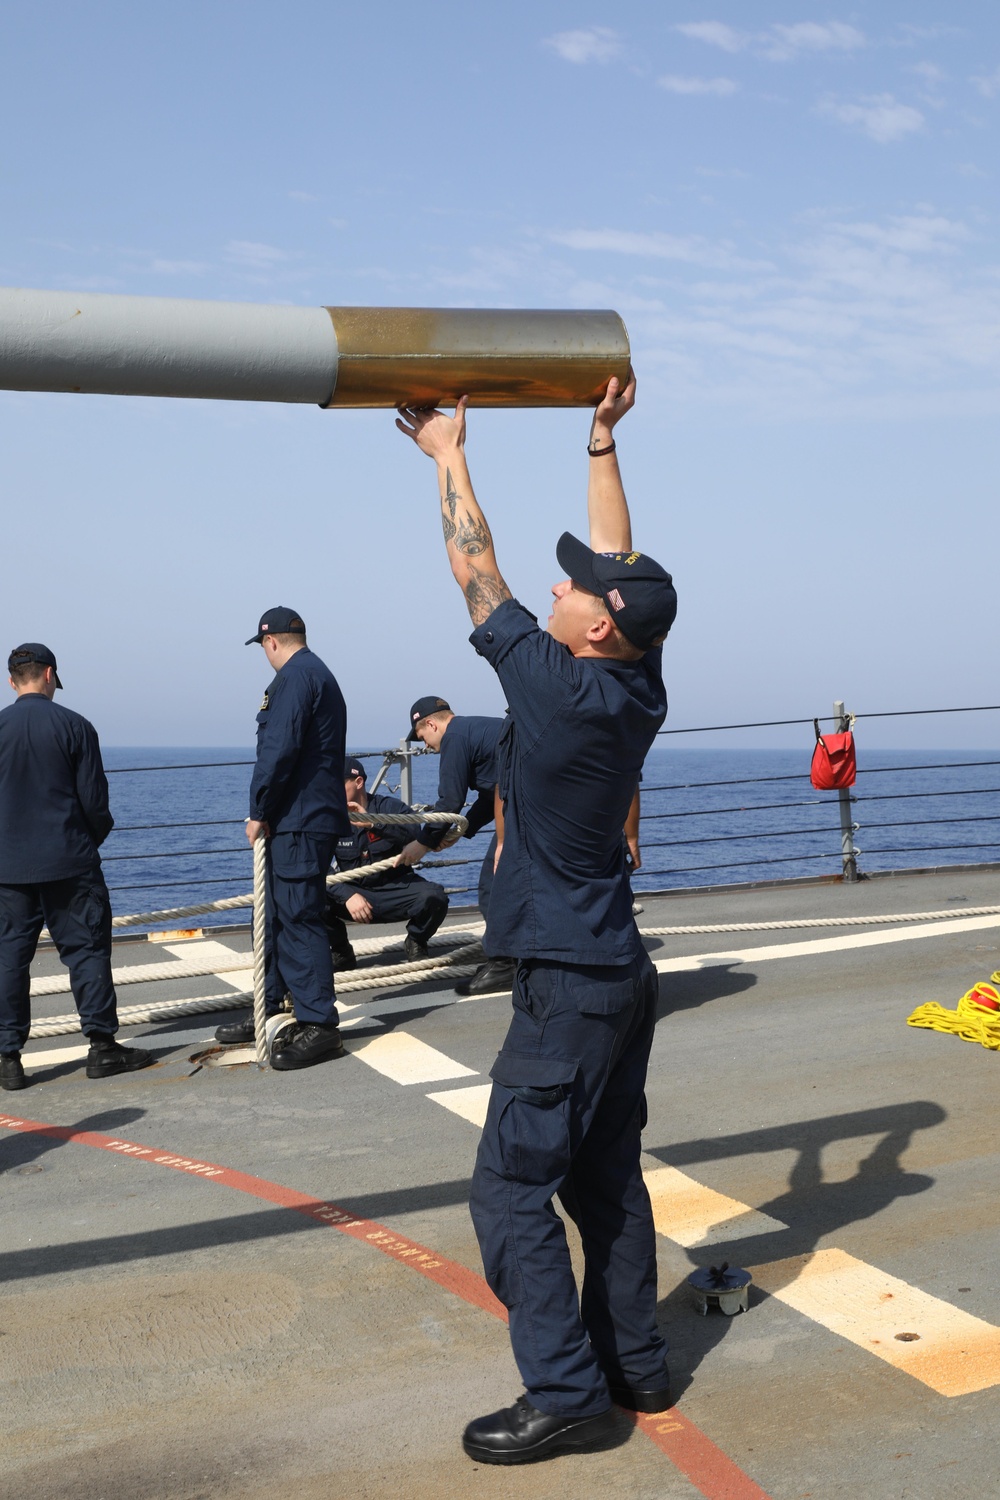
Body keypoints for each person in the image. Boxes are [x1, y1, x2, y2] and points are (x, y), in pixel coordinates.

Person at [396, 371, 677, 1465]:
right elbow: (626, 575)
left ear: (597, 629)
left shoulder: (557, 689)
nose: (558, 591)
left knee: (512, 1191)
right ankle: (635, 1368)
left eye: (577, 593)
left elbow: (477, 573)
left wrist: (447, 457)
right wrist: (600, 447)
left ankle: (563, 1391)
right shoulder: (635, 683)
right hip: (617, 978)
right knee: (605, 1185)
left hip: (567, 986)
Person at [0, 643, 154, 1090]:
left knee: (9, 957)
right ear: (49, 675)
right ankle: (103, 1047)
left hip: (8, 868)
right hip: (69, 861)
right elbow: (95, 804)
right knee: (86, 951)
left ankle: (8, 1057)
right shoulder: (75, 726)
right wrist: (86, 843)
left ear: (13, 680)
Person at [214, 607, 348, 1071]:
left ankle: (319, 1023)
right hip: (303, 817)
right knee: (274, 914)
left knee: (297, 916)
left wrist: (259, 810)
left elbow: (280, 748)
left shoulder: (294, 678)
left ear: (271, 642)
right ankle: (267, 1007)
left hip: (299, 819)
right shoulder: (317, 674)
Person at [396, 696, 513, 995]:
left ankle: (504, 965)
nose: (425, 745)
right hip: (529, 801)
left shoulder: (455, 738)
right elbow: (492, 793)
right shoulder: (473, 730)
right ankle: (510, 957)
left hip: (524, 808)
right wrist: (463, 830)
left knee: (493, 887)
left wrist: (422, 843)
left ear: (432, 724)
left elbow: (450, 800)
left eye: (422, 736)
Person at [324, 757, 449, 965]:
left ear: (358, 782)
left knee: (435, 897)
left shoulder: (390, 807)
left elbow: (413, 836)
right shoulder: (329, 818)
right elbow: (317, 865)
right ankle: (341, 950)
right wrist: (347, 895)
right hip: (355, 892)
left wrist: (374, 824)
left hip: (395, 889)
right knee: (311, 898)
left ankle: (416, 940)